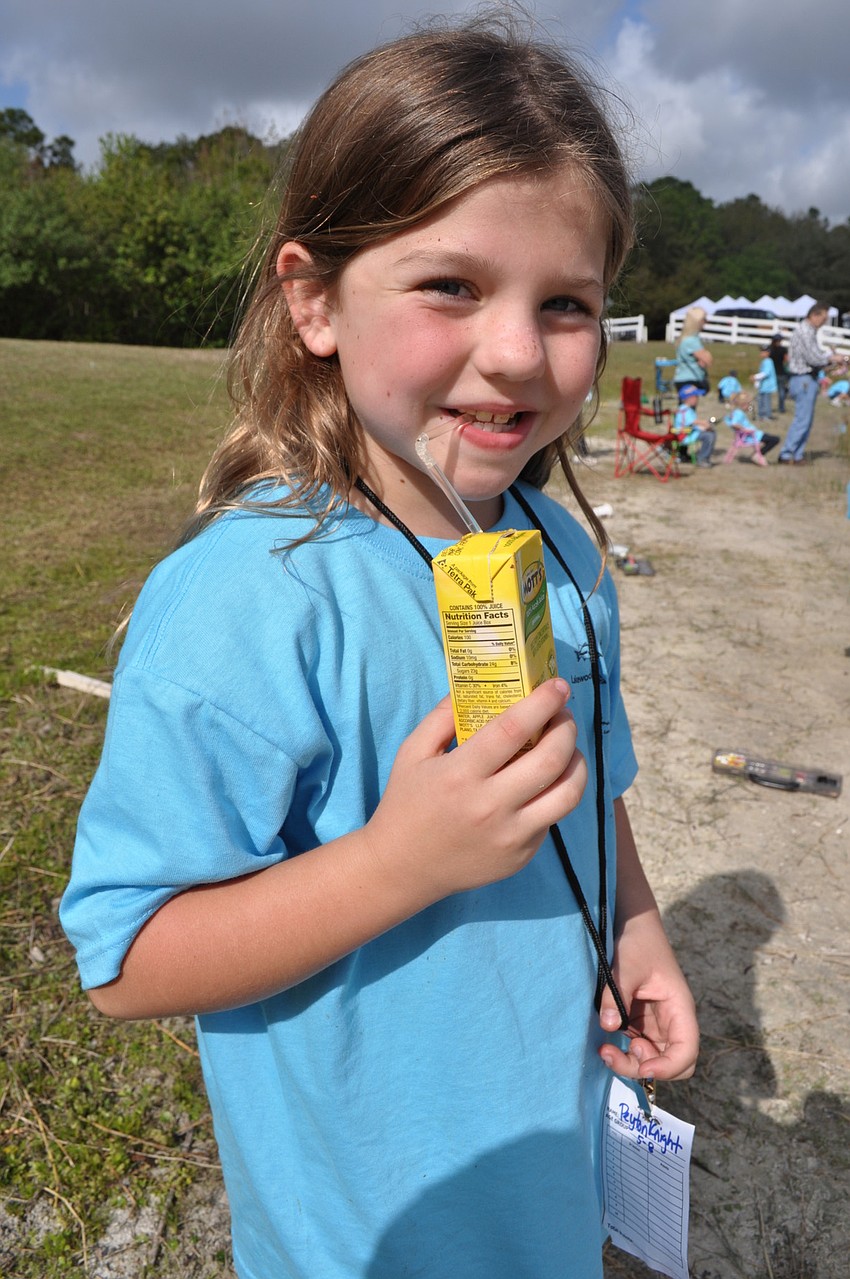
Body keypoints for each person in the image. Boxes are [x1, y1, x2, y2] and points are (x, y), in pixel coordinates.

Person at [59, 19, 699, 1279]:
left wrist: (635, 931)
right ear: (313, 300)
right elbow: (126, 961)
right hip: (368, 1226)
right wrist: (400, 861)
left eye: (564, 303)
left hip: (542, 1184)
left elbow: (592, 792)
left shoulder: (563, 556)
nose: (516, 351)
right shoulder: (253, 600)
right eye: (452, 285)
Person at [778, 303, 835, 464]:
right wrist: (832, 358)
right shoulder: (805, 331)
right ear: (814, 315)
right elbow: (813, 358)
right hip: (803, 378)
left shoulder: (808, 331)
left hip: (806, 378)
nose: (824, 323)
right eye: (823, 319)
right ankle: (787, 453)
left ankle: (797, 454)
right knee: (803, 419)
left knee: (806, 419)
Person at [724, 392, 780, 461]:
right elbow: (734, 424)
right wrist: (744, 429)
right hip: (752, 436)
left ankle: (757, 454)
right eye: (749, 404)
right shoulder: (739, 413)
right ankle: (758, 455)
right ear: (744, 404)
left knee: (772, 439)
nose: (750, 406)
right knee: (775, 439)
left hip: (752, 434)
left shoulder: (737, 412)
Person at [673, 383, 717, 467]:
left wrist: (704, 427)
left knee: (711, 433)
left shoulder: (688, 409)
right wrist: (704, 424)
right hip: (684, 435)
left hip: (689, 432)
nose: (697, 399)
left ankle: (704, 457)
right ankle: (702, 459)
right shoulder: (684, 409)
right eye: (696, 397)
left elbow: (692, 424)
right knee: (709, 436)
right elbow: (693, 422)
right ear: (689, 398)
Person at [673, 305, 713, 395]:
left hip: (684, 379)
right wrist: (706, 354)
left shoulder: (687, 339)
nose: (706, 322)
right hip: (690, 380)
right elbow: (708, 361)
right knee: (689, 409)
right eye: (704, 319)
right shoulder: (691, 341)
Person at [752, 345, 778, 420]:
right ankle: (761, 415)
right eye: (761, 351)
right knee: (760, 400)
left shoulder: (768, 361)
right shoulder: (764, 362)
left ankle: (766, 415)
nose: (761, 353)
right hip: (763, 386)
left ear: (768, 353)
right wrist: (757, 382)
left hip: (767, 386)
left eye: (763, 351)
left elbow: (766, 373)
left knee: (766, 401)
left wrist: (755, 377)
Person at [768, 333, 788, 412]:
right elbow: (786, 360)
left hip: (772, 372)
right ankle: (781, 407)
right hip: (781, 372)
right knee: (781, 391)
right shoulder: (783, 349)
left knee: (768, 390)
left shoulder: (770, 349)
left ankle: (767, 407)